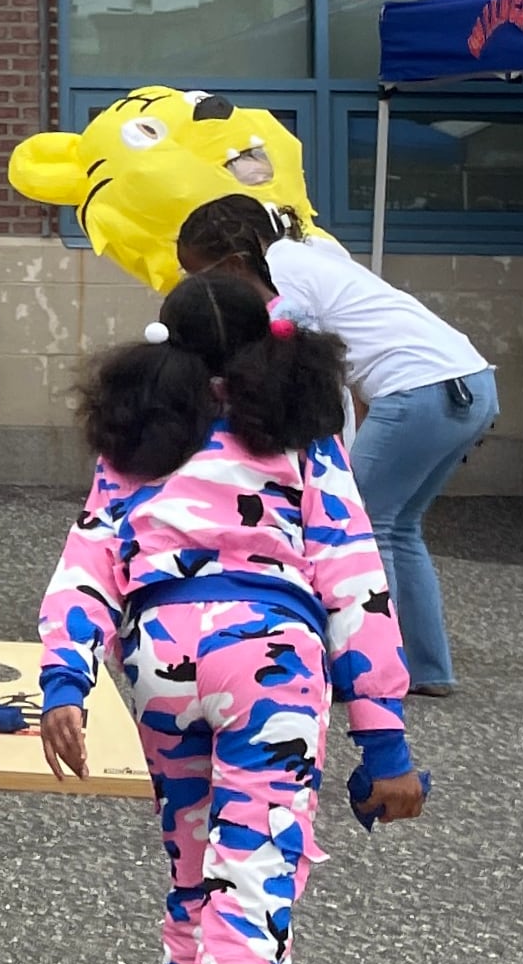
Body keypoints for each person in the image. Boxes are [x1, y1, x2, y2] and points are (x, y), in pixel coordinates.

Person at [38, 268, 426, 964]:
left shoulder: (137, 439)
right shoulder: (301, 437)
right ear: (268, 343)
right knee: (251, 899)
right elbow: (353, 579)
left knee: (193, 892)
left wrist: (64, 679)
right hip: (272, 670)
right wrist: (384, 741)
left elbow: (89, 556)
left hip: (164, 665)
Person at [176, 197, 495, 697]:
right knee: (398, 527)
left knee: (360, 530)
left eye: (204, 276)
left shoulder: (282, 272)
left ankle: (365, 672)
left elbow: (308, 370)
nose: (205, 290)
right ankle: (428, 669)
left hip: (419, 388)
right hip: (468, 381)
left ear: (236, 264)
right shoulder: (312, 254)